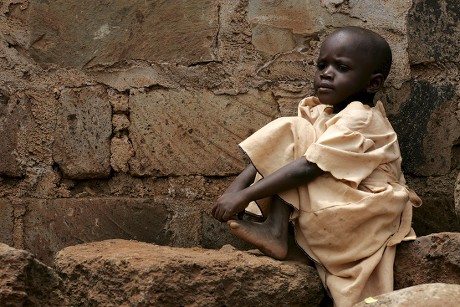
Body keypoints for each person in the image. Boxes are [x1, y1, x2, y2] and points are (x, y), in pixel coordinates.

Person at [211, 26, 422, 307]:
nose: (326, 73)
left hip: (364, 215)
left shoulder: (360, 117)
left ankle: (275, 229)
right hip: (339, 211)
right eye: (322, 65)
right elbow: (279, 151)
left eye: (342, 67)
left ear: (372, 84)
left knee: (294, 132)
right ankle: (274, 229)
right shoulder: (320, 113)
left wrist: (244, 195)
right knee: (295, 130)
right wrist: (234, 191)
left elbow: (308, 167)